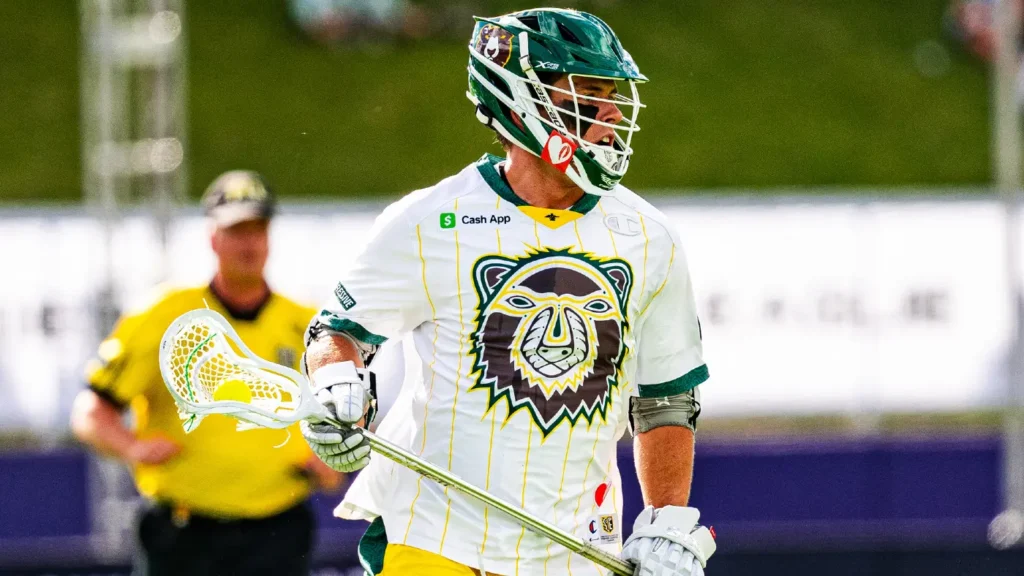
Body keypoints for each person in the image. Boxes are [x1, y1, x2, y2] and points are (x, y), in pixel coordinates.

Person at [301, 8, 715, 576]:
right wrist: (334, 385)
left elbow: (664, 397)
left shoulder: (650, 238)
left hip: (576, 548)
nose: (614, 113)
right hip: (435, 537)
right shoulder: (429, 221)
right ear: (525, 102)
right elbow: (337, 332)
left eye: (614, 93)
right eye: (590, 93)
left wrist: (666, 520)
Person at [70, 170, 343, 576]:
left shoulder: (304, 324)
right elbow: (92, 410)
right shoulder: (163, 316)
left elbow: (342, 414)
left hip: (278, 530)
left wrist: (332, 457)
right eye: (236, 231)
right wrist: (131, 447)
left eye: (257, 229)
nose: (248, 243)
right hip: (183, 533)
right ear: (212, 237)